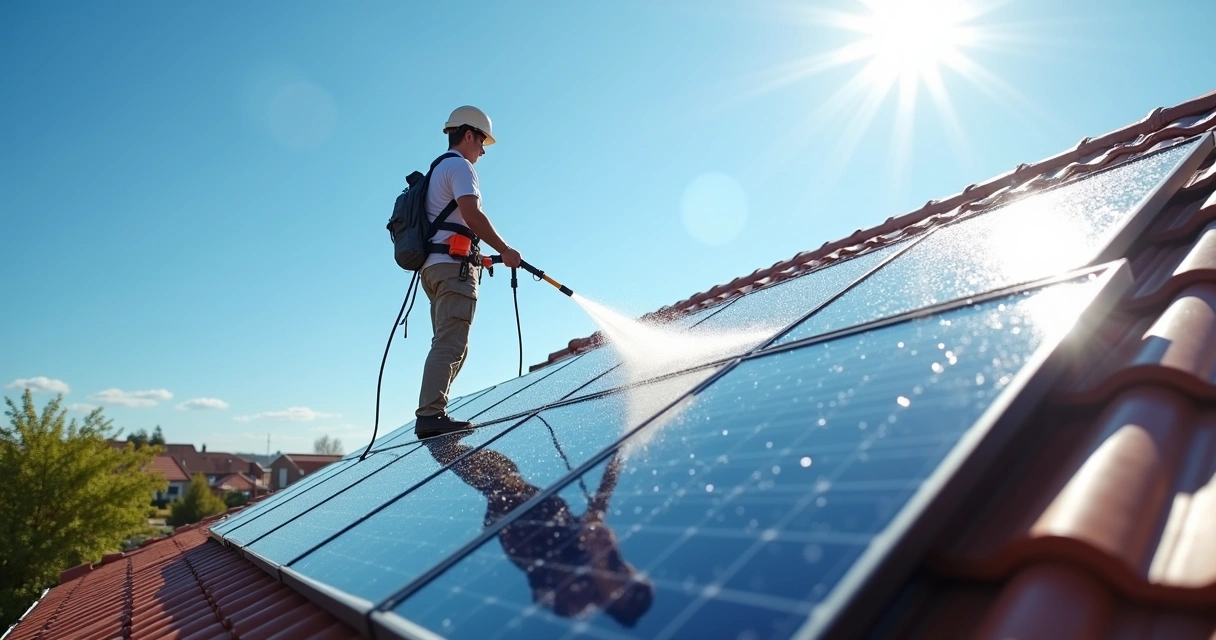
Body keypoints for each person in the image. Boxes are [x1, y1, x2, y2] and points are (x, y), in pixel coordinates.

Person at [425, 435, 654, 626]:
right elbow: (598, 509)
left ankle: (440, 447)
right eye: (628, 573)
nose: (623, 571)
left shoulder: (576, 601)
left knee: (499, 479)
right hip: (534, 506)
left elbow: (553, 599)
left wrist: (595, 558)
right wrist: (617, 459)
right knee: (504, 472)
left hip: (516, 525)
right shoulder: (607, 554)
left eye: (623, 585)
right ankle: (444, 447)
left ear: (611, 602)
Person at [415, 106, 522, 439]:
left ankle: (433, 412)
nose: (483, 150)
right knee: (450, 344)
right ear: (468, 134)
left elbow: (451, 229)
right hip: (450, 270)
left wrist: (482, 258)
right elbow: (472, 215)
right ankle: (431, 416)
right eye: (481, 141)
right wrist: (506, 249)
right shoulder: (460, 166)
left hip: (436, 269)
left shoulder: (437, 170)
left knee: (452, 344)